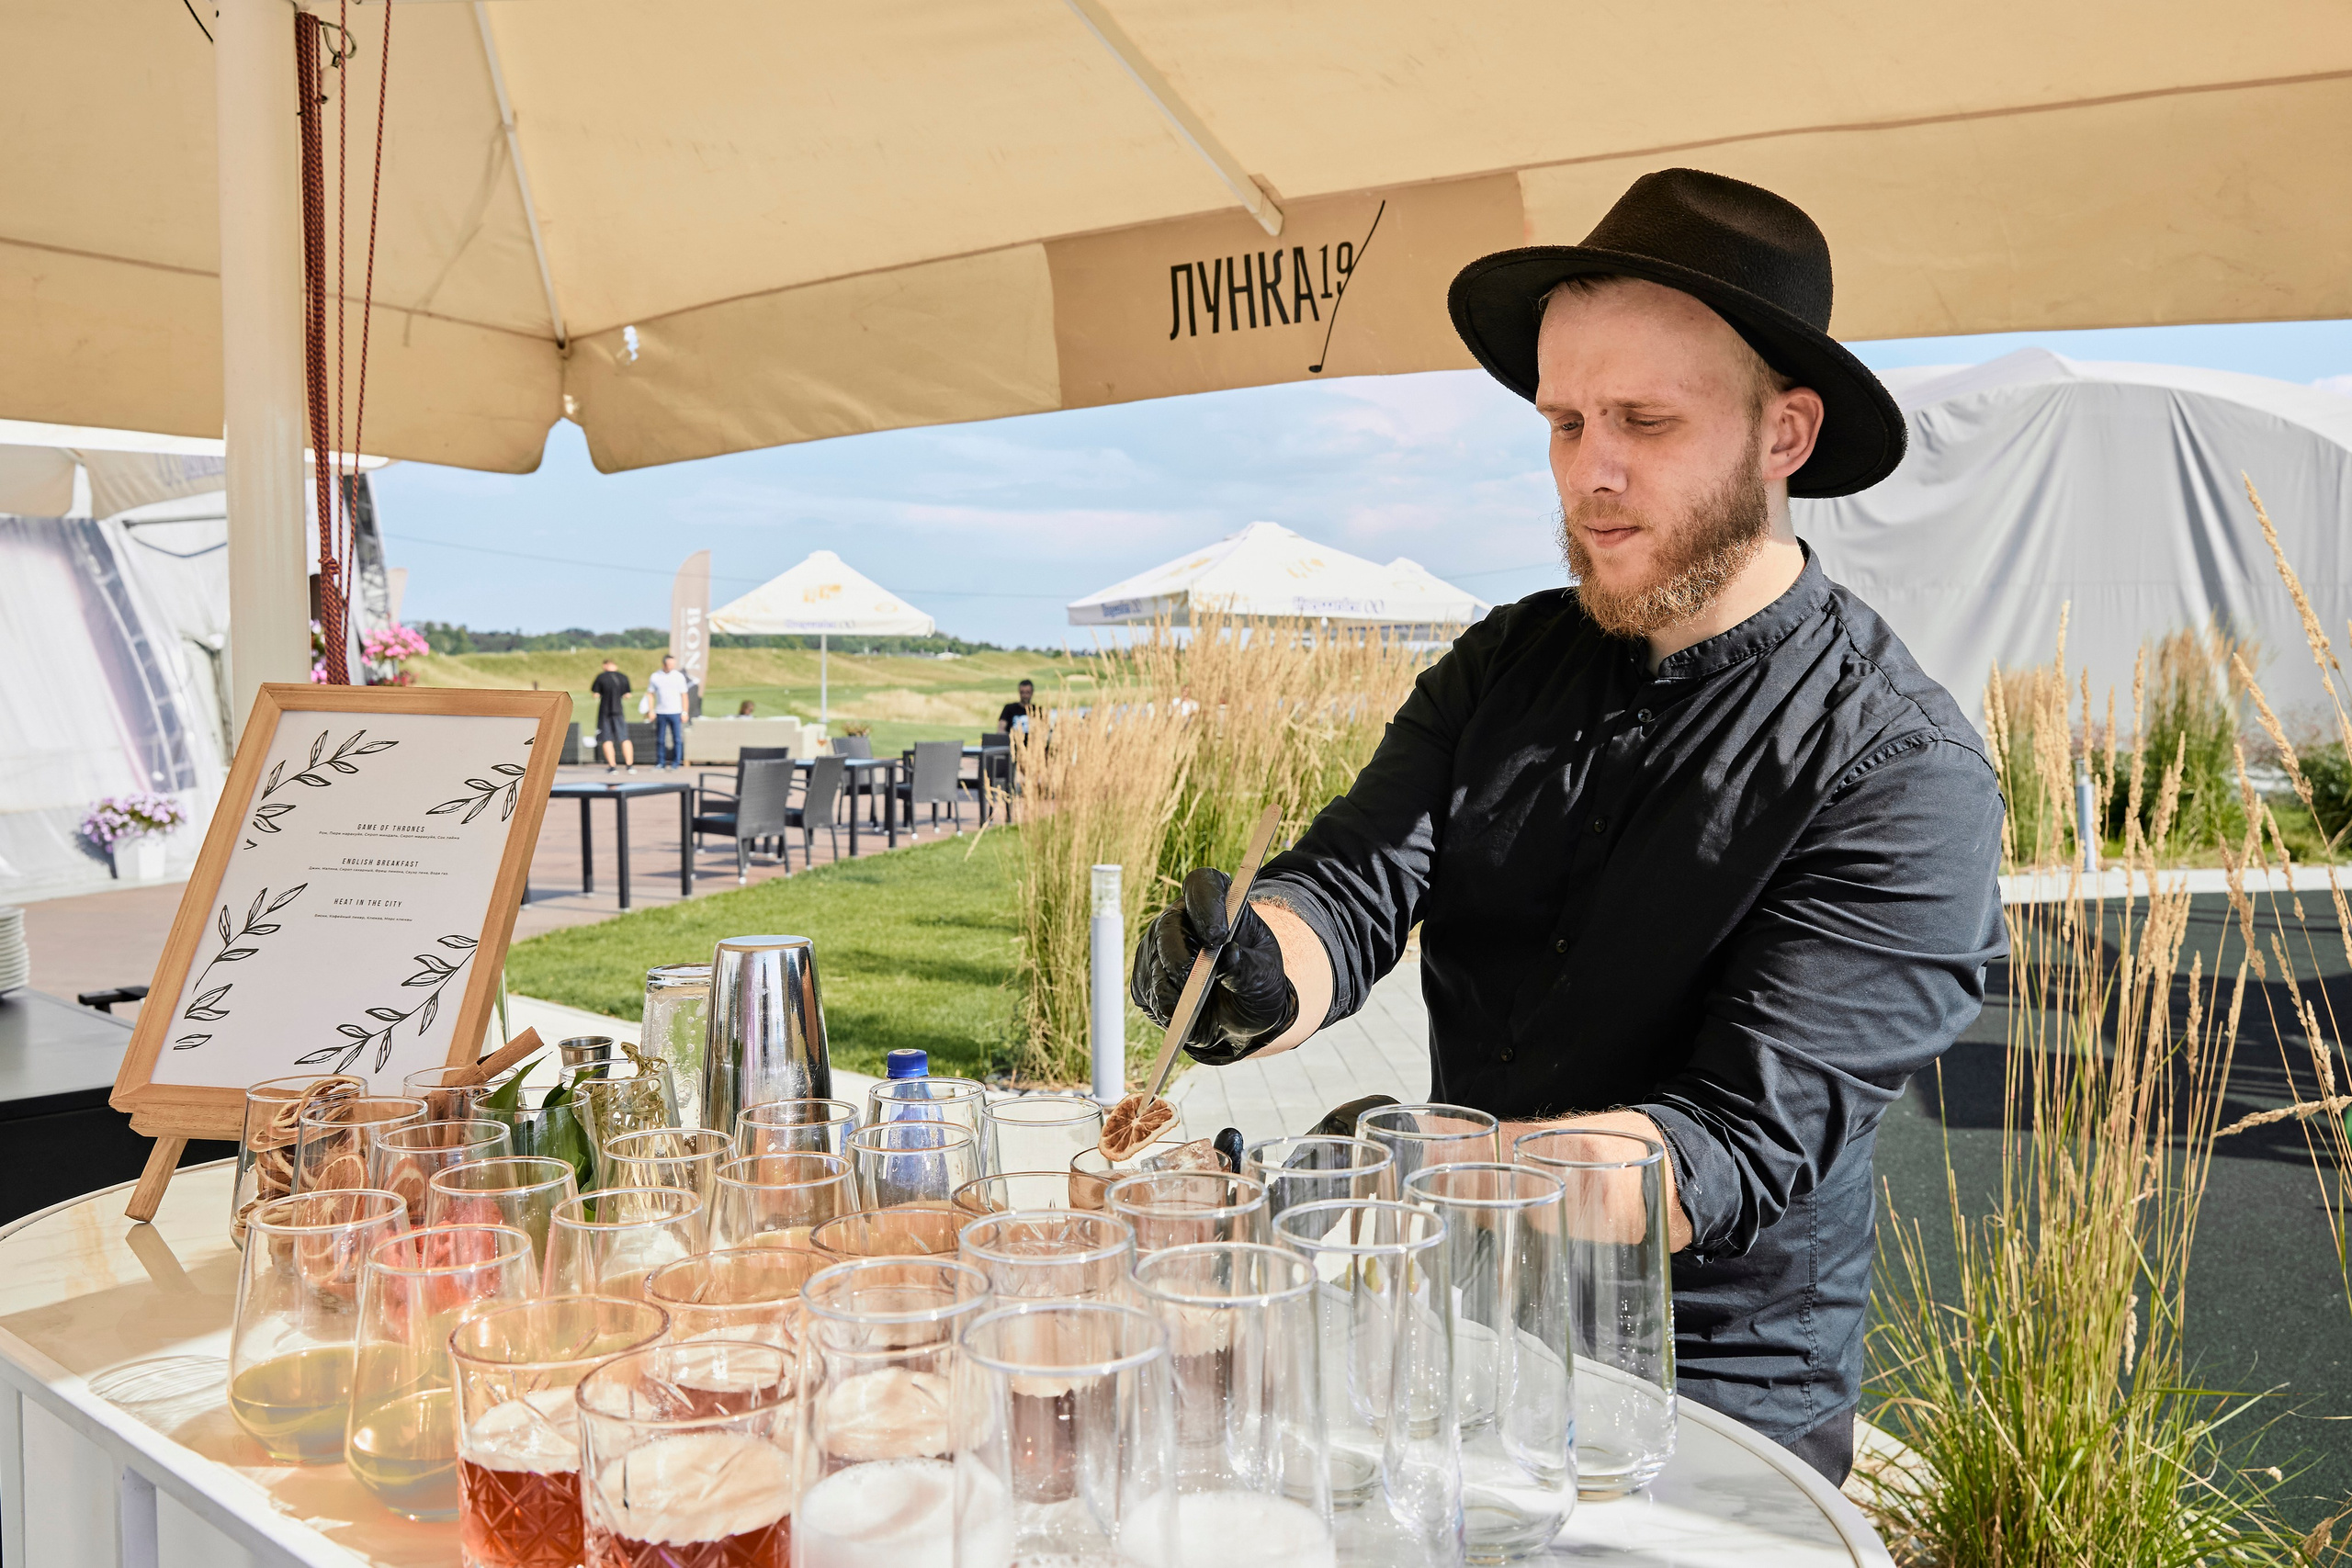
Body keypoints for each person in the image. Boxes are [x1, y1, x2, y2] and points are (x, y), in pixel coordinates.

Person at [1130, 170, 2005, 1486]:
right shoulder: (1504, 662)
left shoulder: (1899, 770)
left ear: (1786, 435)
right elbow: (1355, 889)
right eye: (1564, 421)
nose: (1590, 472)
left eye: (1646, 420)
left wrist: (1396, 1157)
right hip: (1458, 1336)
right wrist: (1251, 971)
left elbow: (1717, 1147)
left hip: (1709, 1402)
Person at [647, 654, 692, 770]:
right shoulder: (655, 676)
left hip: (675, 711)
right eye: (669, 664)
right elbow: (650, 694)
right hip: (661, 711)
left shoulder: (678, 676)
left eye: (673, 664)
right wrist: (651, 710)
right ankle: (660, 762)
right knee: (660, 739)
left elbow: (684, 695)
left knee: (677, 738)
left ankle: (676, 762)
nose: (671, 666)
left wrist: (685, 711)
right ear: (664, 664)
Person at [589, 658, 634, 773]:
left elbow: (596, 694)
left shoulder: (601, 677)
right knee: (624, 737)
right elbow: (627, 695)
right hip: (619, 711)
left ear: (605, 665)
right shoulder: (623, 677)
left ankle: (612, 766)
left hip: (605, 711)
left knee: (607, 738)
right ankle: (629, 766)